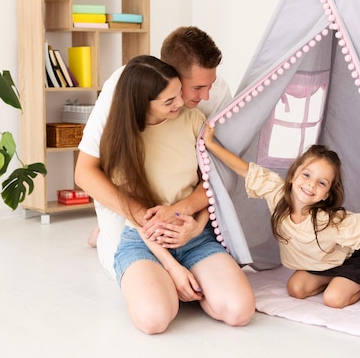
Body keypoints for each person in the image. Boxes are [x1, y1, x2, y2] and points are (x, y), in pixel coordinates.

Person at [99, 55, 255, 334]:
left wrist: (196, 226)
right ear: (141, 104)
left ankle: (185, 284)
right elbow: (137, 216)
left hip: (196, 237)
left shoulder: (193, 120)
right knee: (154, 320)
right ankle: (165, 283)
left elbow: (210, 184)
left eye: (177, 95)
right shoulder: (121, 141)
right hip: (145, 242)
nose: (179, 104)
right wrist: (172, 267)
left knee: (240, 311)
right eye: (168, 102)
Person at [201, 124, 360, 308]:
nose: (310, 184)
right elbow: (246, 170)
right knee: (295, 290)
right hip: (322, 264)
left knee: (334, 300)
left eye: (321, 183)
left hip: (350, 258)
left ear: (326, 193)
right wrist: (211, 144)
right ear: (292, 176)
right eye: (306, 175)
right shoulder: (277, 194)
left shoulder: (328, 220)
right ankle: (332, 279)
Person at [75, 26, 231, 279]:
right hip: (130, 196)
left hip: (182, 196)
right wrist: (150, 222)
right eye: (197, 88)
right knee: (129, 266)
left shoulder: (216, 93)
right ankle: (104, 234)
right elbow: (85, 172)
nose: (206, 95)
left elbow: (219, 173)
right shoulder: (124, 86)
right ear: (172, 78)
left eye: (210, 84)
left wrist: (193, 220)